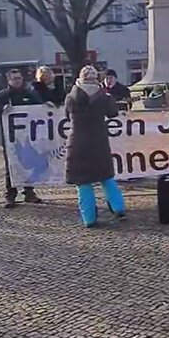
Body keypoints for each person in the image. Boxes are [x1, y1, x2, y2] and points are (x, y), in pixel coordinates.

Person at [65, 65, 127, 228]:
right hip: (98, 141)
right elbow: (112, 112)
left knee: (83, 183)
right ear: (96, 79)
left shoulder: (71, 96)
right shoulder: (103, 97)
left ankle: (89, 218)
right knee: (106, 177)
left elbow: (67, 114)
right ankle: (118, 207)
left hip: (77, 142)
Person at [0, 69, 45, 207]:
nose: (17, 81)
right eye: (14, 79)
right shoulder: (2, 95)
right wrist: (2, 109)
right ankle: (10, 195)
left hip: (28, 137)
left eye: (19, 78)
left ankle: (29, 193)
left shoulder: (30, 94)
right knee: (11, 166)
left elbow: (40, 109)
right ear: (9, 81)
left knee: (29, 164)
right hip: (10, 139)